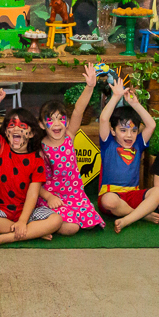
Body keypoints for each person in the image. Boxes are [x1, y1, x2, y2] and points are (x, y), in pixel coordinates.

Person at [0, 89, 62, 248]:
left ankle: (10, 237)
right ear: (6, 131)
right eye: (12, 125)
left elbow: (33, 193)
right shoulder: (0, 148)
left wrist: (24, 221)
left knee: (56, 220)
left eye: (22, 125)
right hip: (0, 210)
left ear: (31, 133)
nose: (16, 129)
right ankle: (32, 233)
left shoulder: (36, 160)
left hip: (26, 212)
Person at [37, 64, 105, 235]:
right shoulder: (40, 148)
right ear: (41, 124)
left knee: (90, 224)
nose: (57, 124)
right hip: (52, 198)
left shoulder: (69, 136)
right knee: (71, 228)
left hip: (75, 196)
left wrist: (90, 87)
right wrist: (49, 197)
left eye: (61, 118)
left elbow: (78, 110)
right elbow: (34, 182)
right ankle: (41, 225)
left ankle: (49, 224)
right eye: (51, 120)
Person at [97, 77, 159, 233]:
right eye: (123, 130)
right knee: (109, 200)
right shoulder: (108, 144)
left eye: (133, 131)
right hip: (111, 195)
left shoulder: (138, 144)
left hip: (133, 195)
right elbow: (104, 119)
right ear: (113, 131)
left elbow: (151, 125)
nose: (129, 135)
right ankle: (141, 215)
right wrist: (115, 97)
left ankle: (128, 218)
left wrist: (135, 104)